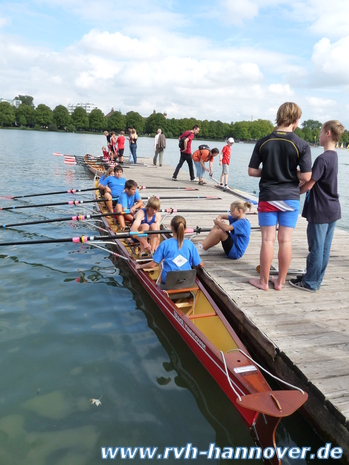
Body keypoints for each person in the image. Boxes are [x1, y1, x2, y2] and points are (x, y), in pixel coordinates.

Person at [248, 102, 312, 291]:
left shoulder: (263, 141)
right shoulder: (302, 144)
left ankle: (263, 281)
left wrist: (269, 172)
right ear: (295, 119)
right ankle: (280, 282)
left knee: (268, 240)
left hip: (268, 196)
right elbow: (307, 176)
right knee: (285, 240)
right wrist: (291, 174)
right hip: (290, 197)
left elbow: (252, 171)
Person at [289, 120, 345, 292]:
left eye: (321, 131)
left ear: (328, 133)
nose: (319, 135)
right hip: (333, 209)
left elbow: (308, 184)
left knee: (316, 247)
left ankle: (310, 282)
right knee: (324, 248)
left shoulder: (322, 158)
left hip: (320, 210)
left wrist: (291, 193)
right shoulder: (334, 156)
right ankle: (314, 278)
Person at [136, 215, 203, 285]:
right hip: (187, 280)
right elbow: (199, 264)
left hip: (169, 281)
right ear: (185, 228)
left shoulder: (165, 244)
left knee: (162, 262)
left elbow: (152, 265)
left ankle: (159, 284)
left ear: (171, 227)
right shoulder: (190, 244)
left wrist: (140, 266)